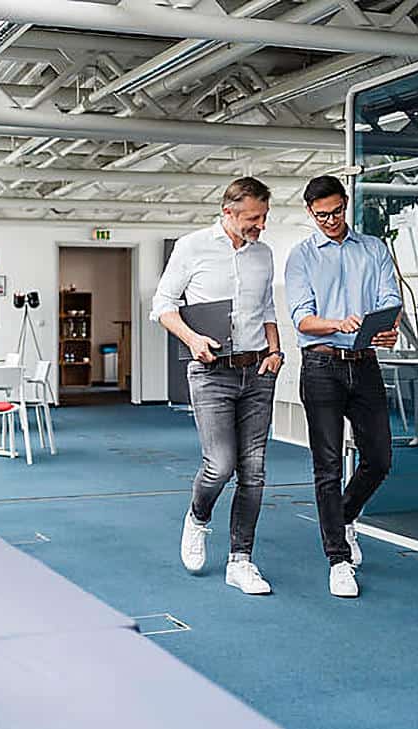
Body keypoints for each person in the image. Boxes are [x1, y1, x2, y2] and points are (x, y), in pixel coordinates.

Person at [151, 177, 283, 595]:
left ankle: (240, 560)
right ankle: (198, 518)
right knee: (220, 465)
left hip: (258, 371)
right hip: (211, 374)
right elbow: (163, 307)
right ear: (228, 212)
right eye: (252, 218)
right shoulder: (192, 247)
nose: (260, 225)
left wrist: (276, 352)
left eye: (263, 217)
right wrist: (192, 340)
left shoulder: (263, 254)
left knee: (255, 471)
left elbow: (266, 307)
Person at [285, 175, 401, 598]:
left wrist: (389, 328)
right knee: (328, 466)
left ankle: (344, 516)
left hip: (364, 364)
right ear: (310, 213)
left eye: (335, 212)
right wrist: (338, 323)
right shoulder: (301, 257)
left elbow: (390, 301)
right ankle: (338, 559)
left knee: (380, 458)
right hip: (321, 367)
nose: (330, 221)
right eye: (321, 216)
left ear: (346, 204)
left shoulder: (373, 249)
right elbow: (302, 318)